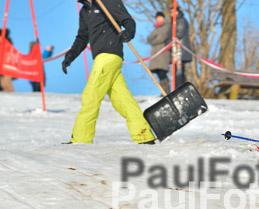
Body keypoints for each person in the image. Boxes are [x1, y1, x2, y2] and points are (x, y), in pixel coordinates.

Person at [61, 0, 156, 144]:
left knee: (91, 94)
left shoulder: (107, 1)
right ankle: (144, 135)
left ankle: (81, 138)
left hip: (109, 54)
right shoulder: (85, 11)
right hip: (101, 57)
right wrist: (70, 56)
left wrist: (129, 32)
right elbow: (82, 37)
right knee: (122, 99)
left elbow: (128, 20)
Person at [165, 6, 192, 89]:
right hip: (174, 50)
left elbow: (180, 33)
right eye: (171, 12)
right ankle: (178, 87)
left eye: (173, 12)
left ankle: (180, 88)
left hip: (180, 51)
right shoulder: (173, 23)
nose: (172, 14)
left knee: (179, 72)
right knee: (176, 72)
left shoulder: (181, 21)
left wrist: (174, 39)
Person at [147, 11, 172, 93]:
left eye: (159, 17)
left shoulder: (167, 26)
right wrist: (155, 40)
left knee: (162, 73)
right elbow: (149, 39)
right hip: (155, 54)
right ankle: (163, 91)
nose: (158, 19)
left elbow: (162, 38)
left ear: (163, 18)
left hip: (163, 53)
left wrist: (155, 40)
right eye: (157, 18)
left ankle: (167, 91)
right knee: (158, 73)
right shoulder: (156, 28)